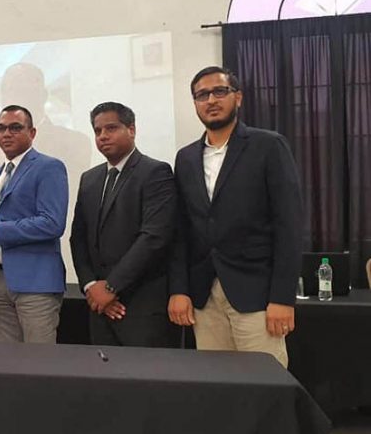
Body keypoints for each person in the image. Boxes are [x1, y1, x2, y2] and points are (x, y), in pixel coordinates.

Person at [167, 66, 302, 367]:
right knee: (218, 386)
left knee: (266, 387)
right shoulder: (185, 158)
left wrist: (283, 297)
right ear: (195, 104)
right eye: (202, 95)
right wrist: (179, 289)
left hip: (257, 294)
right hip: (204, 294)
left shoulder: (268, 146)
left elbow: (289, 226)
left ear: (238, 97)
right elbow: (181, 231)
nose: (211, 100)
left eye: (219, 91)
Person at [0, 105, 68, 343]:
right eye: (1, 128)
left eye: (15, 128)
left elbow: (52, 223)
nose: (7, 134)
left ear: (33, 132)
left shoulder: (49, 167)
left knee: (39, 362)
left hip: (35, 282)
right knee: (5, 362)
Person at [70, 102, 177, 347]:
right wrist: (91, 287)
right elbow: (78, 239)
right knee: (105, 381)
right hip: (98, 306)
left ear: (132, 129)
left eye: (111, 128)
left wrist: (110, 287)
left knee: (147, 381)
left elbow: (153, 237)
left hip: (141, 306)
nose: (103, 136)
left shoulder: (155, 172)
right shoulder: (90, 179)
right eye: (97, 131)